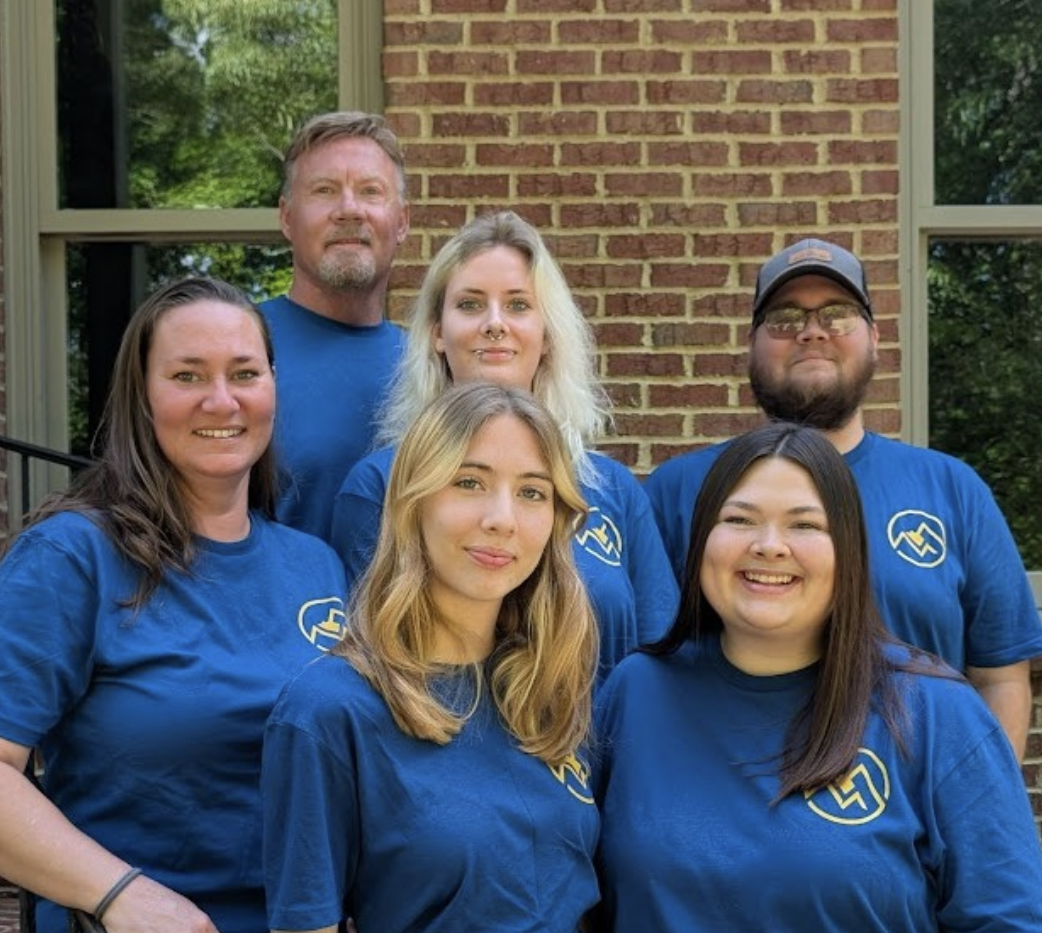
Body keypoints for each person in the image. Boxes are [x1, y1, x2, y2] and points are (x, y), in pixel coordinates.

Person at [0, 277, 347, 933]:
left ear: (274, 390)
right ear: (140, 395)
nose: (221, 400)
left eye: (245, 372)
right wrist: (120, 894)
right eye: (189, 374)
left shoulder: (314, 565)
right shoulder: (74, 556)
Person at [596, 421, 1042, 933]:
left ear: (850, 553)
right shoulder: (633, 697)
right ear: (701, 542)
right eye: (739, 520)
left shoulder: (932, 711)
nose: (769, 545)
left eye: (806, 525)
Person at [264, 381, 621, 933]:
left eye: (532, 492)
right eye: (470, 481)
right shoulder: (330, 713)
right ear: (414, 500)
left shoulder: (554, 687)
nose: (503, 516)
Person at [644, 238, 1042, 757]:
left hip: (916, 828)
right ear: (752, 344)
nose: (812, 331)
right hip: (727, 813)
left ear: (875, 337)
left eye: (838, 313)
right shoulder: (679, 491)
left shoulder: (951, 489)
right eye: (785, 317)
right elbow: (649, 668)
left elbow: (1000, 677)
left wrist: (978, 813)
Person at [332, 209, 676, 685]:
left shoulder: (611, 488)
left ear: (548, 334)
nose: (495, 324)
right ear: (436, 332)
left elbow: (661, 663)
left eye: (517, 305)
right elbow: (371, 661)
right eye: (471, 305)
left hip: (604, 756)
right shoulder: (380, 483)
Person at [260, 110, 410, 540]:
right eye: (324, 191)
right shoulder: (239, 351)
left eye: (370, 191)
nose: (349, 210)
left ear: (401, 222)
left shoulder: (431, 364)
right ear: (287, 218)